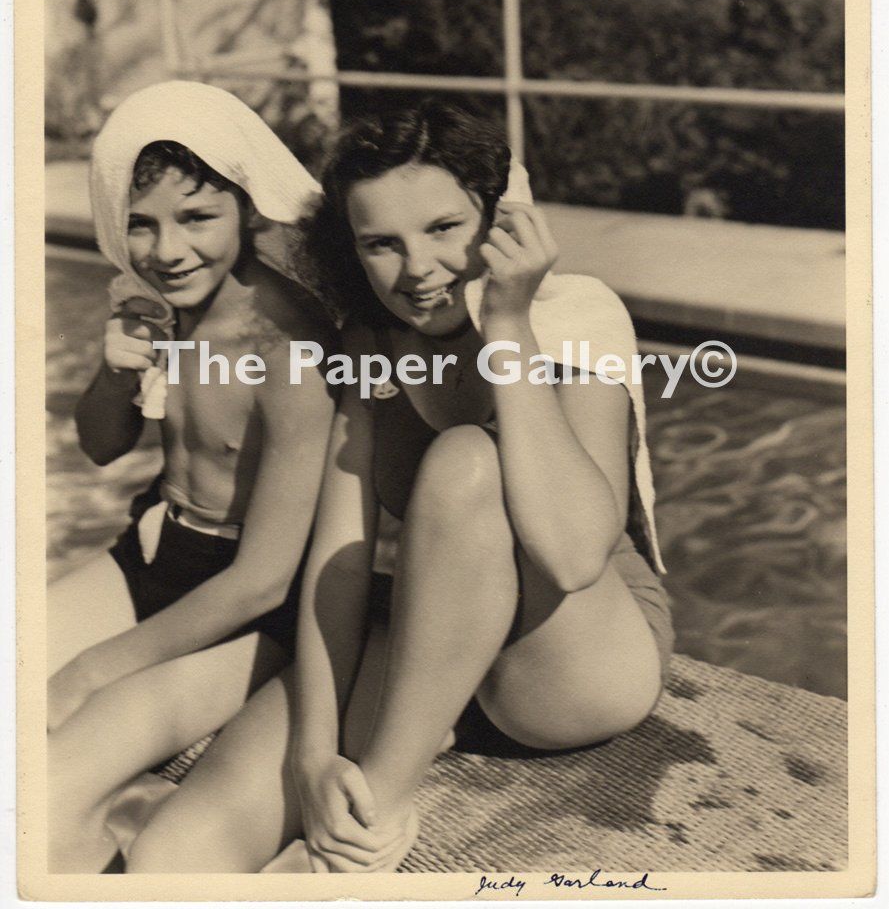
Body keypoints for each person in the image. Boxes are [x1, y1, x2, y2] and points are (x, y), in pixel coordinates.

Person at [123, 100, 673, 874]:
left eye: (445, 228)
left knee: (463, 461)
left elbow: (575, 554)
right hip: (433, 638)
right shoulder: (372, 344)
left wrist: (507, 323)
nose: (417, 270)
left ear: (498, 217)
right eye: (381, 243)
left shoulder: (575, 315)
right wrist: (313, 754)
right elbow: (343, 559)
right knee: (175, 849)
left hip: (569, 664)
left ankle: (371, 821)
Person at [47, 81, 337, 873]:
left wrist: (89, 670)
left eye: (197, 218)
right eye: (141, 224)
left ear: (248, 210)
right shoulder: (159, 304)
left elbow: (265, 581)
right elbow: (102, 448)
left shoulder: (288, 351)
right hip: (152, 557)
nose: (167, 250)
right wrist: (114, 374)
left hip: (247, 614)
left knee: (43, 783)